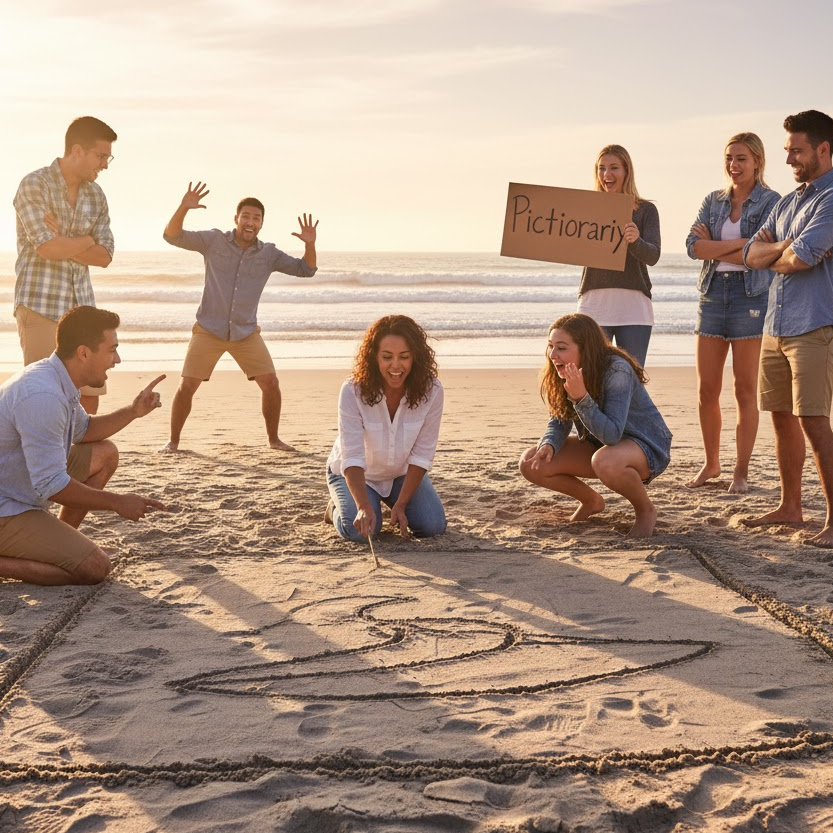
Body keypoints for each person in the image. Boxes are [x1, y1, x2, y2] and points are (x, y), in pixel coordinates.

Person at [0, 306, 168, 586]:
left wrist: (133, 411)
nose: (117, 359)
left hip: (15, 486)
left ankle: (60, 543)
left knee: (105, 453)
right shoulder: (43, 395)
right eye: (112, 349)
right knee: (95, 567)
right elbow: (52, 485)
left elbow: (84, 430)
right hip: (6, 506)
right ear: (84, 353)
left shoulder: (57, 378)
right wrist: (117, 502)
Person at [161, 182, 319, 452]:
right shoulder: (214, 241)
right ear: (236, 219)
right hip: (208, 329)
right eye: (245, 216)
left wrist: (310, 245)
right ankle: (173, 442)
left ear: (261, 224)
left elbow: (307, 270)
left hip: (245, 333)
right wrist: (183, 208)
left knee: (270, 383)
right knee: (187, 385)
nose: (250, 221)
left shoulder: (268, 254)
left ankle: (274, 440)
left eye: (256, 218)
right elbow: (171, 236)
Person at [742, 110, 833, 548]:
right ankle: (791, 507)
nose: (790, 159)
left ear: (823, 148)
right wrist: (783, 247)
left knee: (813, 420)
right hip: (775, 323)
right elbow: (751, 253)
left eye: (797, 151)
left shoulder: (831, 198)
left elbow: (803, 259)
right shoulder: (789, 201)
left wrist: (780, 252)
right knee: (780, 417)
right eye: (787, 151)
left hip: (815, 325)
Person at [685, 133, 781, 493]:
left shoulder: (772, 201)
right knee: (706, 389)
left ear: (757, 160)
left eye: (741, 158)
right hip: (712, 296)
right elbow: (693, 247)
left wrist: (718, 247)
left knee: (744, 390)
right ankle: (712, 465)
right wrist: (743, 245)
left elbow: (766, 250)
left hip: (750, 298)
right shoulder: (714, 200)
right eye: (729, 158)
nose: (733, 165)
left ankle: (740, 471)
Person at [519, 313, 671, 538]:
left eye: (561, 347)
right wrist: (549, 444)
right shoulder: (564, 369)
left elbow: (612, 434)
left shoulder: (616, 370)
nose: (553, 354)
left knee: (605, 460)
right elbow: (559, 419)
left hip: (645, 446)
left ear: (585, 348)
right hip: (599, 446)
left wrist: (581, 398)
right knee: (531, 462)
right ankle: (591, 501)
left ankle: (645, 511)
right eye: (551, 346)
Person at [13, 116, 118, 415]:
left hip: (83, 308)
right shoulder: (35, 184)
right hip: (40, 305)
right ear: (77, 150)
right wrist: (84, 240)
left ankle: (75, 461)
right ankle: (47, 462)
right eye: (101, 156)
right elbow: (47, 248)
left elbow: (105, 256)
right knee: (40, 397)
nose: (105, 164)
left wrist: (64, 238)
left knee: (89, 396)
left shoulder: (96, 195)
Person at [326, 315, 447, 542]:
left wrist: (401, 505)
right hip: (356, 474)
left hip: (400, 475)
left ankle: (388, 502)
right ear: (374, 358)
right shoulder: (352, 391)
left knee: (433, 526)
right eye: (387, 357)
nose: (395, 365)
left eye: (404, 357)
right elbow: (351, 456)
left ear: (415, 358)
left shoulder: (432, 391)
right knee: (362, 531)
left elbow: (422, 455)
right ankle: (335, 508)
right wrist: (362, 507)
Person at [577, 144, 661, 367]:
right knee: (591, 375)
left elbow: (653, 256)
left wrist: (635, 241)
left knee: (631, 378)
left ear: (626, 171)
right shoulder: (586, 208)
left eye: (614, 168)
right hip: (594, 304)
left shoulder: (645, 210)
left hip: (633, 307)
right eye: (601, 168)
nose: (607, 174)